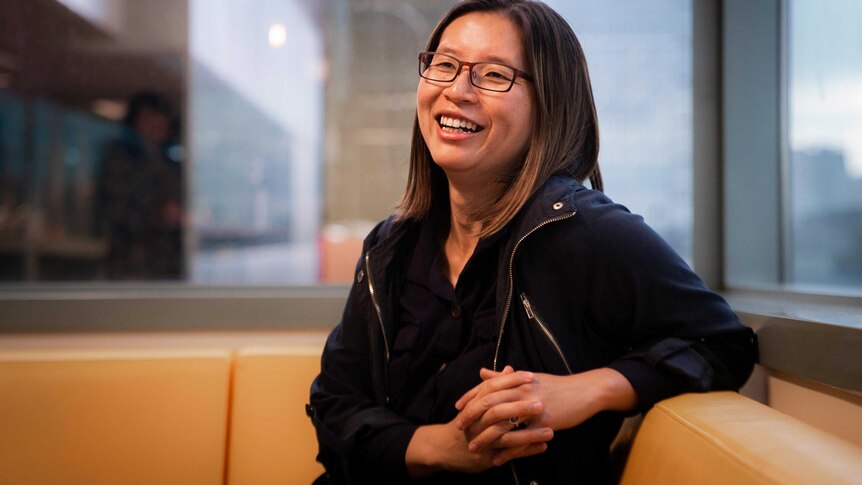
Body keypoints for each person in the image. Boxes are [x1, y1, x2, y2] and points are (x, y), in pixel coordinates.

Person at [308, 1, 757, 483]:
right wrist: (439, 447)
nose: (457, 91)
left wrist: (593, 389)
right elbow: (335, 404)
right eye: (445, 65)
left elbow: (722, 344)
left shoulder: (585, 232)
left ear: (550, 105)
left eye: (494, 74)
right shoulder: (389, 246)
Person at [95, 92, 184, 279]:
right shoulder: (119, 159)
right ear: (135, 121)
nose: (156, 124)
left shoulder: (169, 163)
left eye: (160, 119)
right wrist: (161, 215)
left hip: (166, 264)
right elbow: (115, 211)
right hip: (130, 262)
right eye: (148, 118)